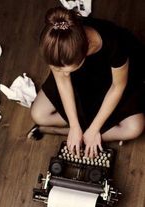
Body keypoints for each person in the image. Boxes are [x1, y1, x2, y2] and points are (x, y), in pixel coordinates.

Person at [28, 6, 145, 158]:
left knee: (135, 128)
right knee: (38, 114)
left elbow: (117, 87)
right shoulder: (55, 41)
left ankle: (55, 131)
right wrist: (74, 125)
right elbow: (62, 81)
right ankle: (90, 133)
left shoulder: (114, 43)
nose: (62, 73)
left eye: (66, 70)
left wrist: (94, 129)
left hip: (113, 81)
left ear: (84, 53)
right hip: (81, 80)